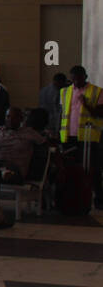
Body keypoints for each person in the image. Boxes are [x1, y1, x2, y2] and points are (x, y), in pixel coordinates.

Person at [59, 65, 103, 209]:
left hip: (89, 137)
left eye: (79, 78)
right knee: (70, 168)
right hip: (69, 136)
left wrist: (87, 104)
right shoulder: (65, 92)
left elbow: (101, 113)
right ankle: (72, 195)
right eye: (73, 79)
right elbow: (62, 113)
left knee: (93, 169)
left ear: (85, 77)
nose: (76, 81)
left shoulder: (97, 91)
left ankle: (98, 198)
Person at [0, 107, 45, 185]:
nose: (10, 120)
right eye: (8, 116)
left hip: (14, 169)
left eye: (14, 117)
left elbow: (45, 143)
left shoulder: (29, 132)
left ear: (21, 119)